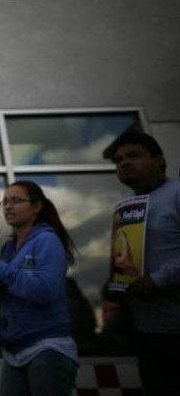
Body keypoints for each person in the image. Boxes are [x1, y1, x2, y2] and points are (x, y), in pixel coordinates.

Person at [0, 180, 78, 396]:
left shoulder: (46, 240)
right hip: (14, 351)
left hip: (47, 348)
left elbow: (45, 290)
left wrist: (1, 270)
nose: (8, 207)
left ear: (36, 207)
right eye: (5, 202)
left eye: (16, 201)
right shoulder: (8, 247)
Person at [110, 132, 180, 396]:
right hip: (146, 331)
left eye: (134, 156)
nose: (124, 163)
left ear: (159, 159)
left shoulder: (176, 194)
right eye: (119, 160)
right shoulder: (128, 208)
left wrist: (158, 279)